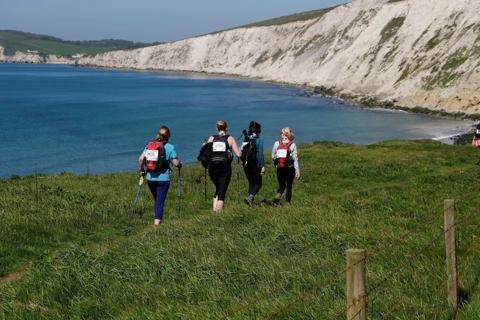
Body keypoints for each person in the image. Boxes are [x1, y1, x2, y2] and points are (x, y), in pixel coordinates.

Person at [138, 126, 182, 227]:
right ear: (168, 136)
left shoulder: (149, 145)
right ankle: (156, 225)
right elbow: (175, 163)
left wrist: (142, 170)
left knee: (157, 200)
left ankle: (157, 221)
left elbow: (141, 159)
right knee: (159, 202)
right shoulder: (170, 147)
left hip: (150, 178)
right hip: (163, 178)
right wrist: (180, 164)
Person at [206, 120, 242, 212]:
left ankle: (214, 212)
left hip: (212, 168)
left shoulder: (211, 138)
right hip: (224, 169)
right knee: (221, 193)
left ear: (216, 128)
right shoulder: (230, 138)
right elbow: (238, 154)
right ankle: (218, 216)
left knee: (218, 189)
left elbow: (206, 153)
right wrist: (239, 149)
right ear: (226, 128)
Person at [272, 127, 300, 205]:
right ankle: (287, 204)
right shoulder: (293, 144)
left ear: (284, 134)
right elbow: (295, 158)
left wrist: (277, 164)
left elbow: (273, 156)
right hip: (290, 169)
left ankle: (275, 202)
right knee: (289, 187)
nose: (280, 134)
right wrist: (297, 170)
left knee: (281, 186)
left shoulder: (276, 143)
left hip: (280, 168)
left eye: (281, 132)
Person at [242, 121, 265, 206]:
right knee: (258, 184)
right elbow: (260, 154)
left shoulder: (246, 139)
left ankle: (249, 202)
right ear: (258, 131)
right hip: (255, 164)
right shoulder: (259, 140)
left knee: (251, 183)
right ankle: (250, 198)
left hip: (246, 164)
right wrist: (262, 166)